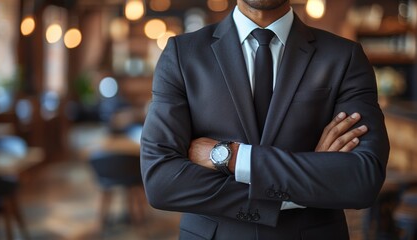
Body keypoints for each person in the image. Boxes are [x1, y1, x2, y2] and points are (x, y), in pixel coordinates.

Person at [140, 0, 390, 239]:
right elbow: (161, 181)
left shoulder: (344, 57)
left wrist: (231, 157)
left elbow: (362, 179)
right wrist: (308, 180)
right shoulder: (182, 54)